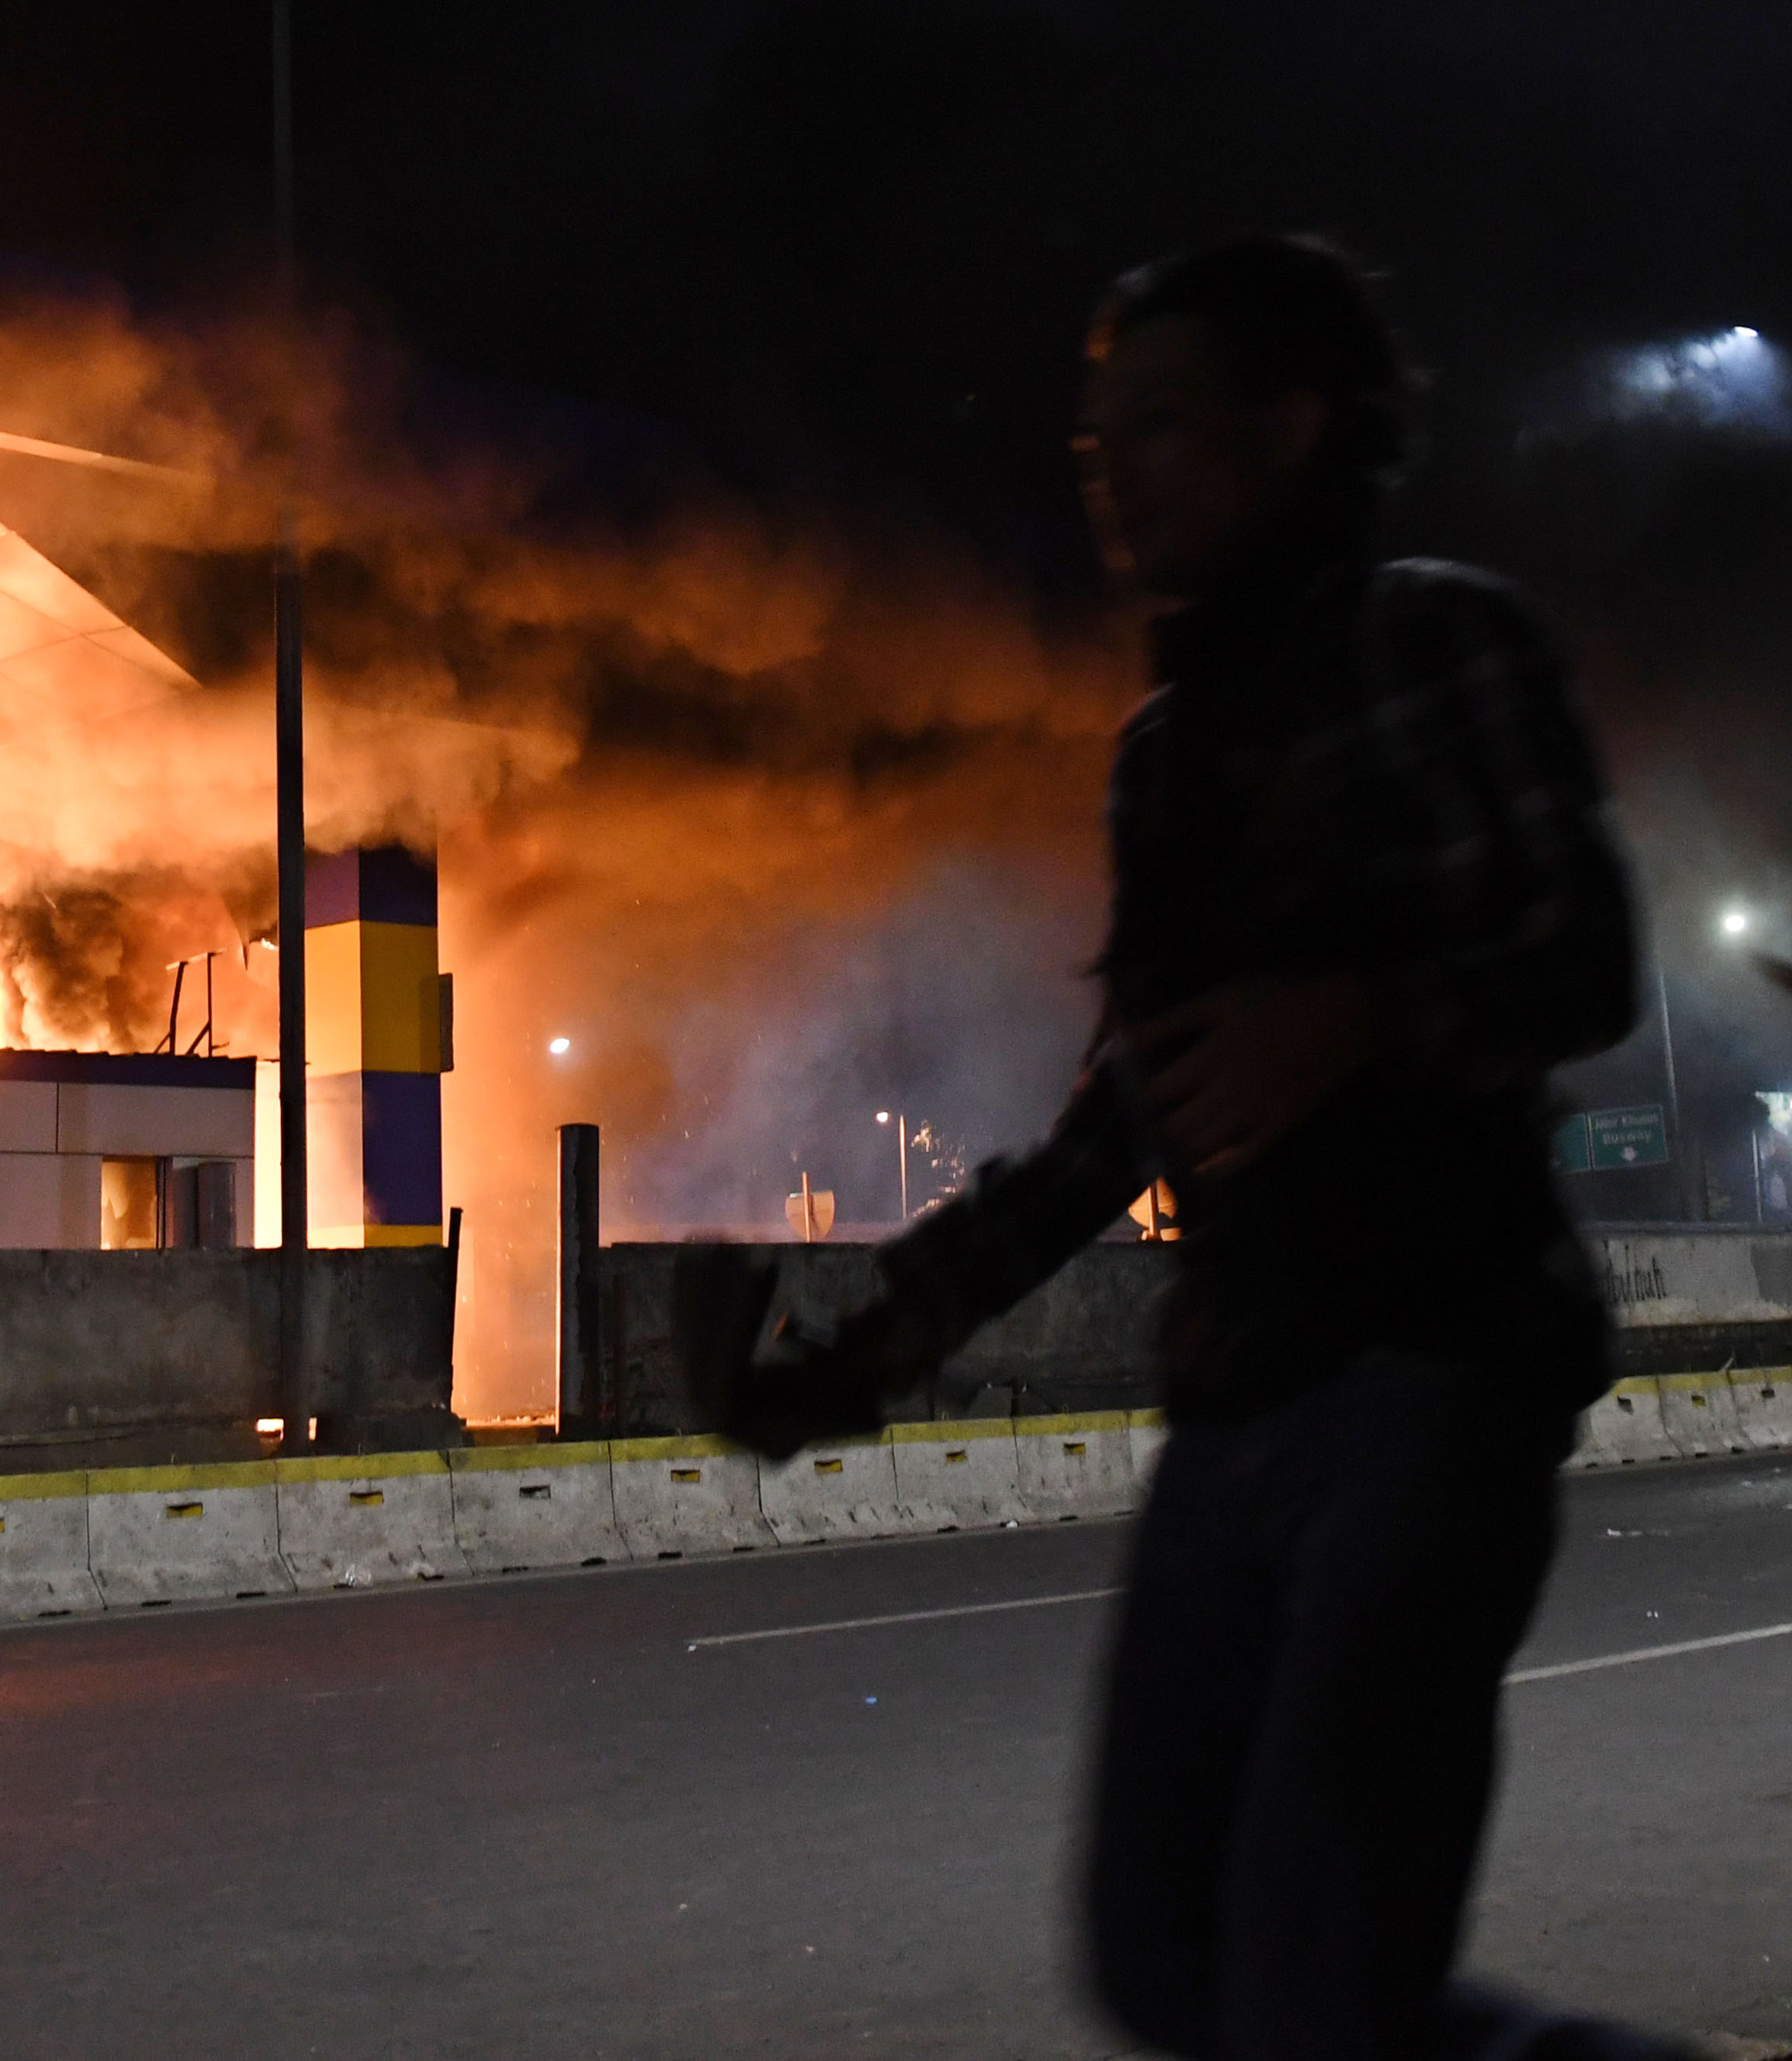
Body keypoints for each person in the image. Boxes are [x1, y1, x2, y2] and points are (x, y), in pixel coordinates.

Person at [702, 236, 1714, 2060]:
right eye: (1093, 443)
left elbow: (1577, 953)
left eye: (1154, 427)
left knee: (1314, 1980)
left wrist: (1349, 1011)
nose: (1108, 473)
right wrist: (860, 1356)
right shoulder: (1161, 753)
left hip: (1431, 1376)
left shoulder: (1435, 640)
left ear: (1287, 429)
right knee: (1163, 1957)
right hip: (1235, 1409)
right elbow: (1120, 1123)